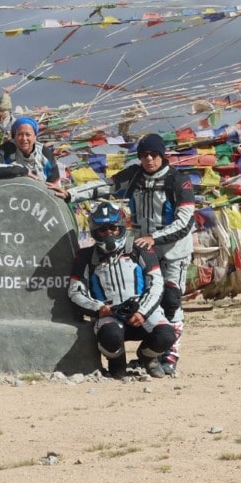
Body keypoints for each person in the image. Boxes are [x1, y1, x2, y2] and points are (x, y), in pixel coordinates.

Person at [65, 133, 194, 376]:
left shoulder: (179, 181)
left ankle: (169, 357)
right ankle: (136, 354)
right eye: (144, 155)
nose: (149, 159)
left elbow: (185, 221)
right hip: (142, 249)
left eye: (154, 154)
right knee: (139, 298)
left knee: (171, 301)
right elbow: (104, 186)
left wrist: (155, 238)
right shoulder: (134, 175)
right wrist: (71, 194)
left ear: (162, 154)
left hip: (172, 252)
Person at [67, 200, 176, 379]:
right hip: (109, 313)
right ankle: (117, 362)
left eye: (113, 228)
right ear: (95, 232)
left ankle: (147, 357)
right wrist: (99, 309)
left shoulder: (139, 248)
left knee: (166, 334)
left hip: (142, 310)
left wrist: (142, 311)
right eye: (103, 229)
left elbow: (156, 283)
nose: (109, 233)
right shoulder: (86, 256)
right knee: (111, 342)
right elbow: (75, 291)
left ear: (121, 227)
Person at [0, 116, 68, 198]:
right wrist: (22, 171)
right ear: (14, 136)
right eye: (20, 134)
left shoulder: (45, 154)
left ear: (35, 136)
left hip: (38, 201)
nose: (24, 139)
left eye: (28, 135)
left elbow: (55, 186)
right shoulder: (6, 149)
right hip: (9, 199)